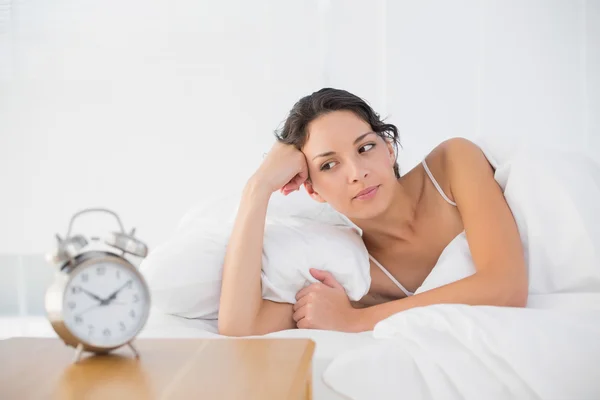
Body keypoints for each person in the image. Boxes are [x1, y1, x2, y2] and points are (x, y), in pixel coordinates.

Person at [218, 88, 527, 337]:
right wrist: (257, 188)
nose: (357, 172)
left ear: (389, 148)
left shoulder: (452, 163)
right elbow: (240, 326)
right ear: (313, 191)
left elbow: (507, 287)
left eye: (365, 148)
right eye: (329, 164)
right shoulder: (357, 273)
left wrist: (355, 320)